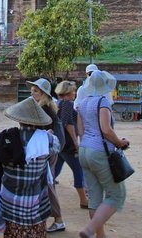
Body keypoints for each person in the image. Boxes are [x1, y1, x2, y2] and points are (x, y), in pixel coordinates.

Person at [0, 97, 60, 238]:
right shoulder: (48, 140)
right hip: (36, 203)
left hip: (11, 203)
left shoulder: (5, 139)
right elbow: (55, 149)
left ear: (19, 119)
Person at [75, 70, 130, 238]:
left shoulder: (82, 103)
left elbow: (81, 131)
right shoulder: (103, 102)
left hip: (84, 150)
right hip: (99, 151)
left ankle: (100, 235)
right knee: (116, 195)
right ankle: (90, 229)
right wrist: (120, 143)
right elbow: (106, 130)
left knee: (95, 197)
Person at [27, 78, 65, 233]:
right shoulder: (46, 107)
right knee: (45, 183)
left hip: (47, 150)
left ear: (43, 94)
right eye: (32, 91)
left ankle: (58, 219)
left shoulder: (44, 108)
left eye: (36, 91)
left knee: (48, 184)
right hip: (48, 149)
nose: (32, 93)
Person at [54, 80, 88, 209]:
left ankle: (39, 194)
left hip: (61, 143)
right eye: (73, 90)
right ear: (68, 92)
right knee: (78, 170)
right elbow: (68, 124)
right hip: (68, 143)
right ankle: (83, 200)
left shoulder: (59, 103)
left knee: (54, 172)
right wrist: (75, 142)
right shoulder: (67, 104)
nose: (75, 92)